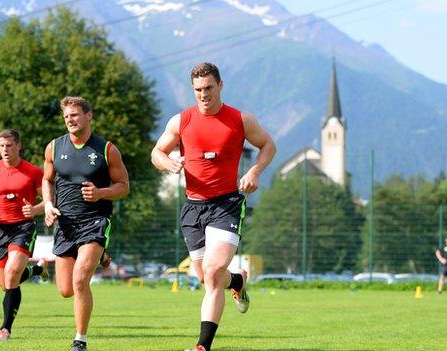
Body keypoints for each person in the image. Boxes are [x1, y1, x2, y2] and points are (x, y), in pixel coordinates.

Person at [151, 62, 276, 351]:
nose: (203, 94)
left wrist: (254, 172)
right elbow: (156, 152)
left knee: (211, 270)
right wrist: (168, 163)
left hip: (226, 205)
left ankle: (201, 347)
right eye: (198, 90)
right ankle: (237, 282)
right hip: (193, 208)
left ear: (220, 85)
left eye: (208, 88)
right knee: (209, 279)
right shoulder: (181, 121)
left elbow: (268, 145)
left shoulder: (240, 119)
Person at [43, 96, 129, 351]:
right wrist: (48, 205)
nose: (70, 120)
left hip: (95, 221)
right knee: (66, 290)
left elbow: (124, 186)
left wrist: (101, 193)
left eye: (75, 115)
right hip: (65, 223)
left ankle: (79, 340)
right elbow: (47, 180)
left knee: (81, 280)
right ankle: (101, 256)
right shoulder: (53, 147)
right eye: (66, 116)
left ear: (88, 116)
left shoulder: (106, 149)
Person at [0, 129, 45, 341]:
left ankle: (5, 329)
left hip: (23, 227)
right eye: (1, 146)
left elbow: (51, 200)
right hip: (0, 231)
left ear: (18, 146)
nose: (5, 150)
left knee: (13, 271)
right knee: (5, 284)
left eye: (9, 146)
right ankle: (35, 270)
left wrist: (34, 210)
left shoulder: (33, 172)